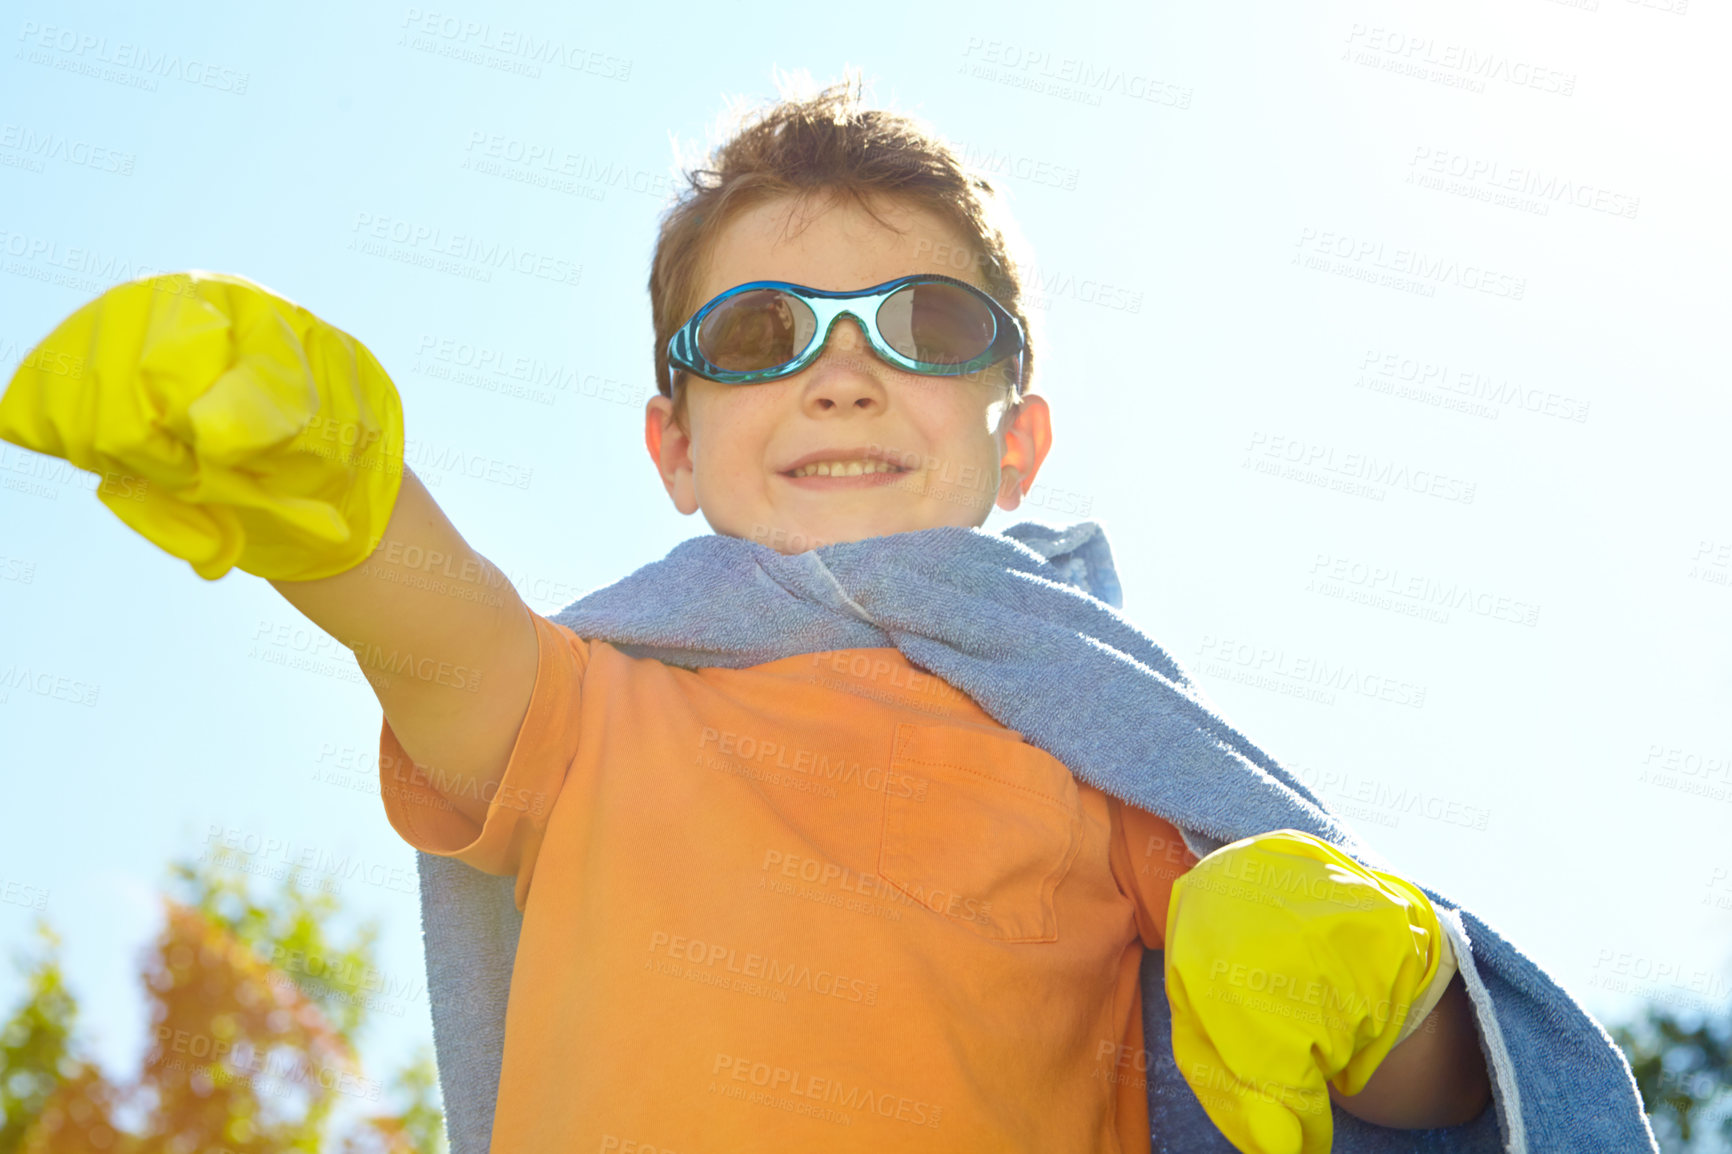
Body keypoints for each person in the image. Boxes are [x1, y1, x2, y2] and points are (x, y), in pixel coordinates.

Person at [0, 76, 1654, 1154]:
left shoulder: (1101, 756)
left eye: (925, 318)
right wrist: (336, 497)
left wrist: (1388, 984)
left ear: (1022, 433)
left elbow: (1431, 1111)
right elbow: (436, 635)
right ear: (674, 444)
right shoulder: (595, 706)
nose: (844, 366)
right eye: (763, 329)